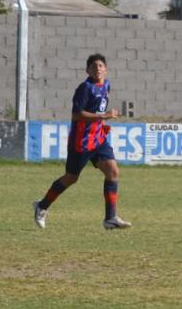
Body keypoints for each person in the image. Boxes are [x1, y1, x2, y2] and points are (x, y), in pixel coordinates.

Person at [33, 53, 132, 230]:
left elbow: (98, 108)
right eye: (93, 66)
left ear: (106, 69)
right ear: (87, 70)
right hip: (82, 141)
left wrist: (102, 123)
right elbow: (76, 115)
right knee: (71, 178)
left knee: (113, 171)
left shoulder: (106, 85)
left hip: (98, 138)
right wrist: (104, 116)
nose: (97, 69)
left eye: (100, 66)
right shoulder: (85, 88)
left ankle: (110, 218)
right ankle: (42, 206)